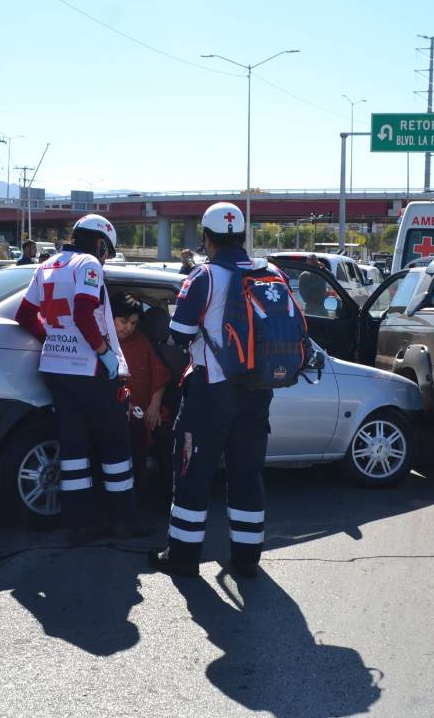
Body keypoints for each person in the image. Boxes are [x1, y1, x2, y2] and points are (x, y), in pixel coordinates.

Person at [148, 202, 275, 579]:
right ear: (242, 236)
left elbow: (179, 335)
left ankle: (183, 557)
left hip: (212, 390)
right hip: (258, 391)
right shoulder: (269, 273)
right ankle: (248, 559)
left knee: (192, 473)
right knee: (247, 474)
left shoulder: (204, 276)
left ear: (206, 238)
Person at [16, 214, 146, 542]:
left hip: (56, 369)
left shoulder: (47, 265)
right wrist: (104, 353)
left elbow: (24, 314)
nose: (105, 257)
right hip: (89, 371)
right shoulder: (88, 263)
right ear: (100, 243)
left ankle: (79, 525)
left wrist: (53, 339)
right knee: (116, 446)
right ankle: (125, 521)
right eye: (106, 250)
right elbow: (84, 312)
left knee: (75, 450)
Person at [110, 292, 172, 500]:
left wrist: (154, 406)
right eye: (123, 321)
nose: (128, 328)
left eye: (134, 323)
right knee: (135, 430)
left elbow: (159, 373)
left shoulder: (141, 340)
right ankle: (138, 495)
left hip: (148, 406)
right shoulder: (103, 343)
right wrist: (127, 407)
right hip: (121, 409)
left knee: (165, 432)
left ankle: (170, 497)